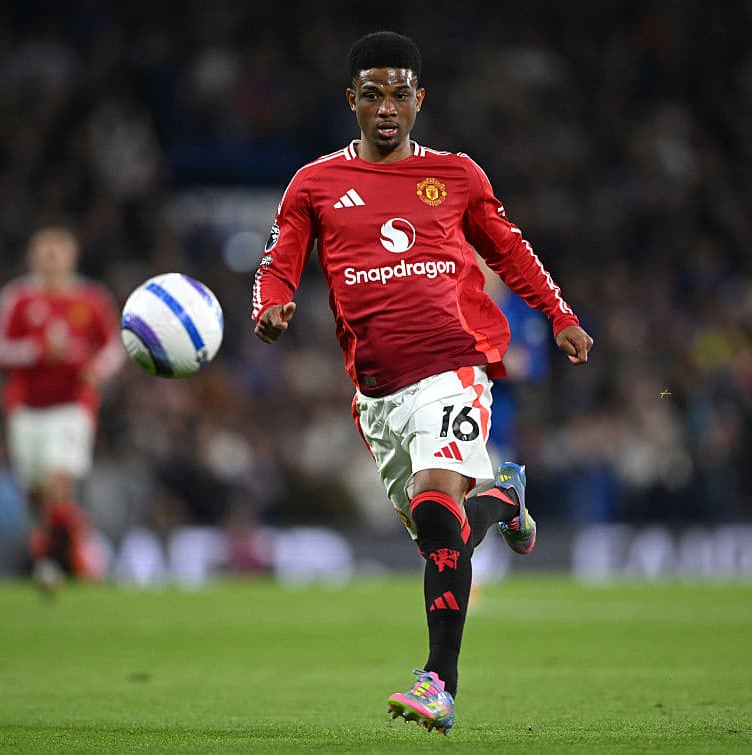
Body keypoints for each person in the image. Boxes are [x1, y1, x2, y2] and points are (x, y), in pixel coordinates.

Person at [251, 31, 593, 734]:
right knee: (445, 537)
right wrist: (272, 303)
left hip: (452, 369)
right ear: (351, 100)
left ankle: (439, 682)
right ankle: (505, 497)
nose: (387, 107)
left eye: (400, 94)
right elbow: (279, 257)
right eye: (372, 94)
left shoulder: (456, 175)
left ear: (419, 100)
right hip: (377, 397)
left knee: (438, 510)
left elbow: (510, 249)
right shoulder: (314, 183)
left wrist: (559, 315)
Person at [0, 224, 124, 588]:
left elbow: (114, 347)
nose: (51, 260)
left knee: (59, 481)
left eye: (57, 252)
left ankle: (64, 561)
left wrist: (98, 370)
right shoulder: (17, 298)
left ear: (72, 256)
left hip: (72, 406)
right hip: (26, 409)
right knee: (37, 494)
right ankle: (65, 547)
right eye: (44, 253)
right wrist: (38, 352)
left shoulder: (92, 299)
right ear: (32, 258)